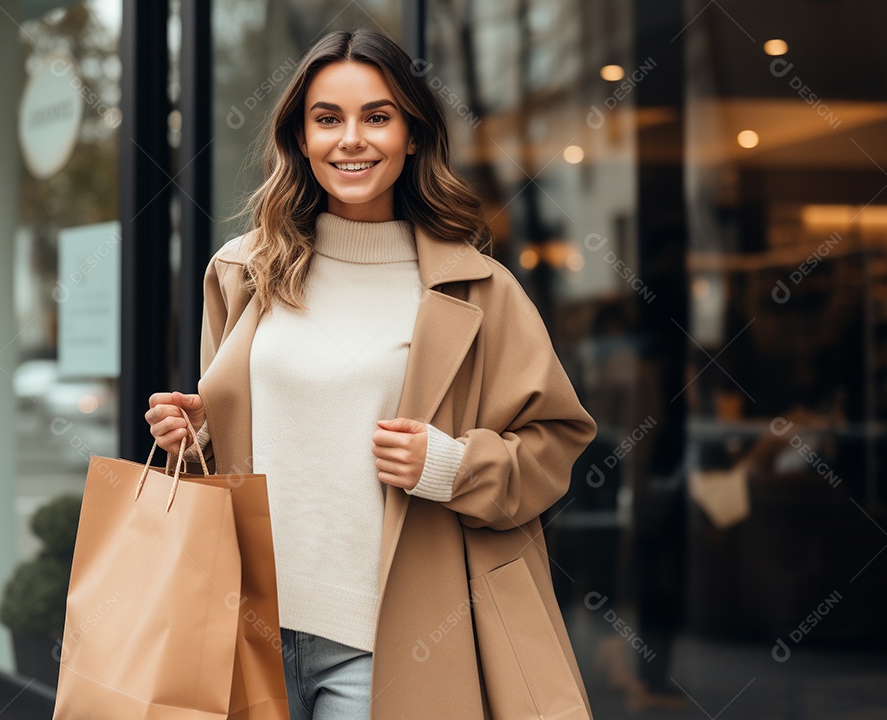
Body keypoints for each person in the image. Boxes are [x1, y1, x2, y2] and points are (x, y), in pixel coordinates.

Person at [144, 29, 597, 720]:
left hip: (384, 644)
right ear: (300, 138)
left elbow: (556, 441)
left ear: (412, 136)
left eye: (377, 117)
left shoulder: (479, 290)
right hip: (243, 627)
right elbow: (235, 439)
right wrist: (194, 435)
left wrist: (448, 465)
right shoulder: (241, 272)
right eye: (327, 119)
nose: (351, 139)